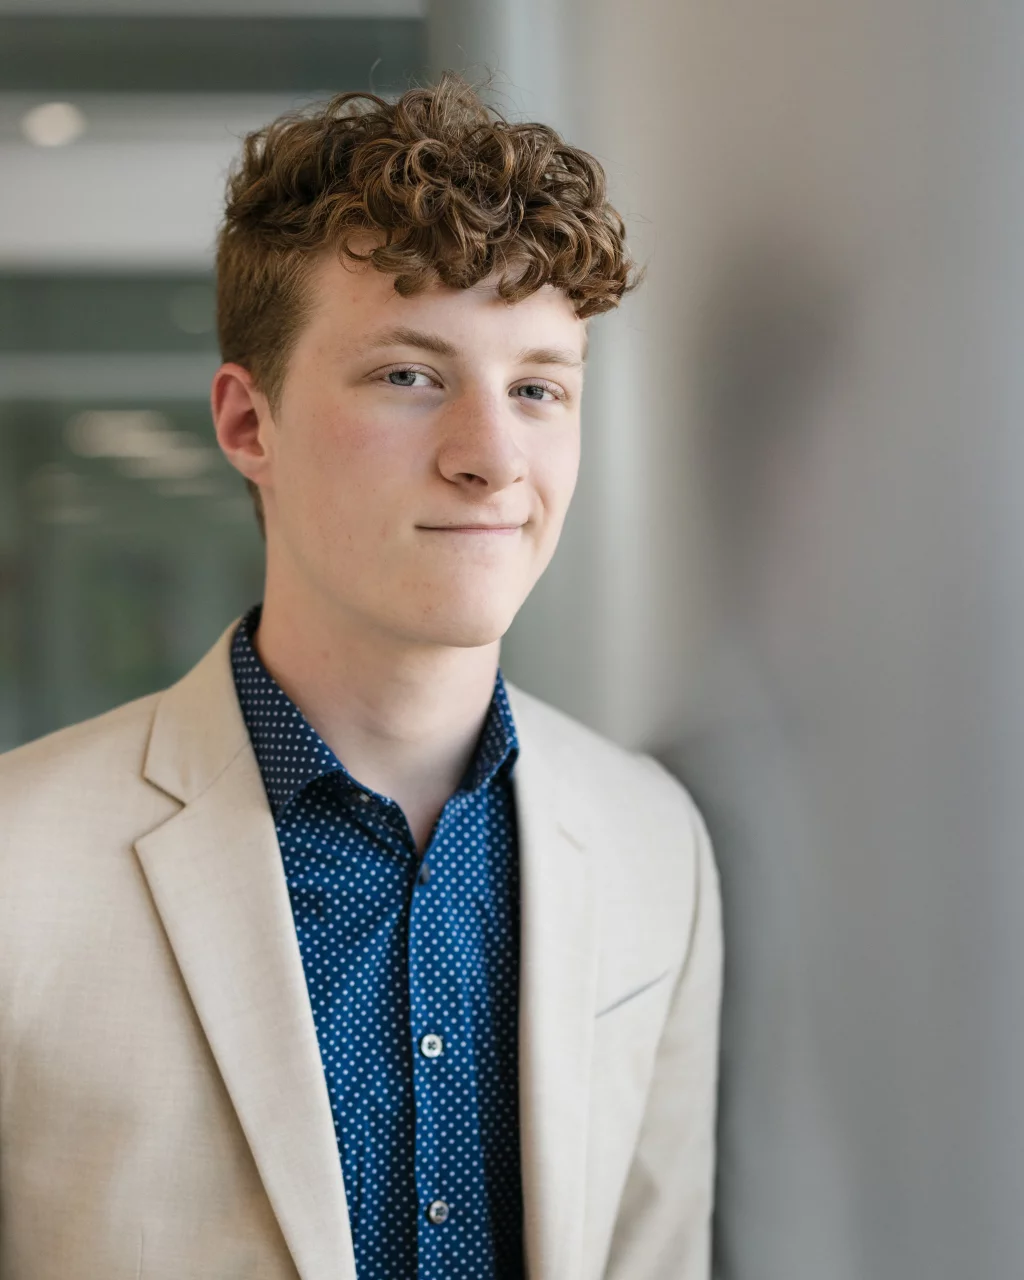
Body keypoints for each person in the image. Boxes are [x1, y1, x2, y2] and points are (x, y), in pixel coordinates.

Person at [0, 75, 721, 1280]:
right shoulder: (18, 860)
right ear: (249, 423)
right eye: (408, 375)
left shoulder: (653, 840)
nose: (493, 458)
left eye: (536, 388)